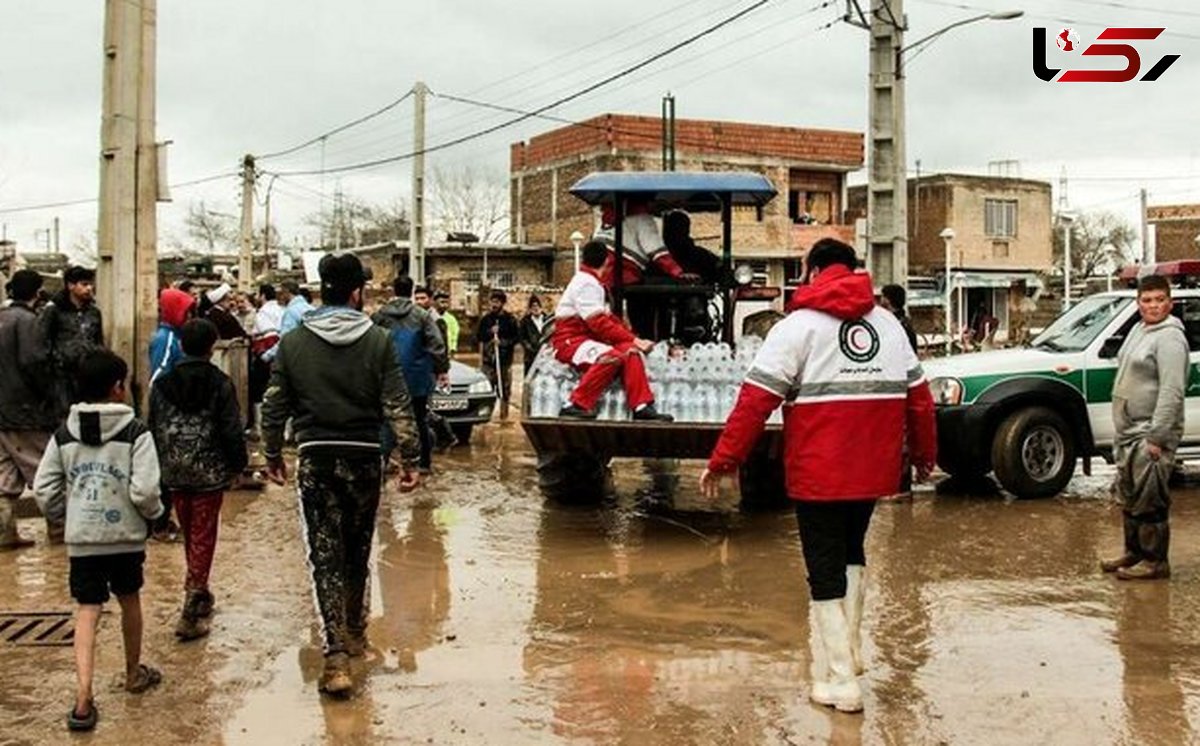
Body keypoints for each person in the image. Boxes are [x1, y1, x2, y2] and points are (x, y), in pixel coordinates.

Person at [699, 238, 936, 714]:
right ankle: (849, 653)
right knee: (852, 552)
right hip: (872, 469)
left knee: (822, 568)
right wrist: (925, 457)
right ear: (853, 270)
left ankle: (842, 682)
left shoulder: (797, 327)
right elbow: (921, 399)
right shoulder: (888, 324)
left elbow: (755, 402)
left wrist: (723, 460)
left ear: (811, 271)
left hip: (819, 471)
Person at [261, 252, 421, 697]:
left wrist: (272, 452)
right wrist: (411, 460)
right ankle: (353, 633)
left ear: (321, 289)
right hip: (365, 457)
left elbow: (273, 404)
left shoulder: (292, 343)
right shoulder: (379, 340)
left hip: (315, 457)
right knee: (357, 548)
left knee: (324, 552)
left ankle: (335, 655)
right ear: (356, 292)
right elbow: (398, 405)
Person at [33, 349, 165, 732]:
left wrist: (66, 515)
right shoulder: (136, 433)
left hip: (83, 539)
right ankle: (132, 674)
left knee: (87, 611)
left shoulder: (64, 434)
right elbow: (144, 491)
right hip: (125, 539)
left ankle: (83, 697)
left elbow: (44, 489)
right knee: (130, 602)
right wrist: (155, 516)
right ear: (118, 388)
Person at [149, 319, 248, 641]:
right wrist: (237, 466)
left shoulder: (162, 384)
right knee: (203, 533)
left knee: (191, 528)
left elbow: (153, 427)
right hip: (208, 471)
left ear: (181, 345)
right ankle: (193, 597)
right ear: (211, 347)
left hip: (174, 470)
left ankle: (199, 586)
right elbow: (232, 429)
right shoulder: (220, 382)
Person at [1101, 274, 1188, 581]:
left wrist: (1158, 435)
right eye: (1147, 300)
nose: (1153, 306)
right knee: (1131, 494)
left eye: (1159, 300)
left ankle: (1155, 562)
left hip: (1149, 432)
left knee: (1150, 498)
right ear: (1138, 304)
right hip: (1128, 431)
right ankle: (1134, 551)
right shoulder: (1140, 329)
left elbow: (1172, 390)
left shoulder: (1170, 339)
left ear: (1170, 303)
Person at [551, 241, 673, 421]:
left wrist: (632, 340)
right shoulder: (586, 283)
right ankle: (575, 404)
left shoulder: (593, 283)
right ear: (607, 261)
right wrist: (636, 340)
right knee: (612, 357)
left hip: (584, 340)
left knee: (631, 352)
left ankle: (641, 406)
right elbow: (599, 323)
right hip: (570, 342)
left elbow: (610, 320)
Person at [0, 270, 59, 548]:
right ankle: (60, 535)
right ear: (37, 293)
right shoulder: (28, 322)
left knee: (5, 477)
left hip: (2, 413)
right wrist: (50, 396)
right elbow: (34, 362)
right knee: (46, 474)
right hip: (25, 412)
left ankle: (5, 534)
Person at [373, 276, 449, 473]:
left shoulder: (380, 315)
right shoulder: (421, 316)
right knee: (419, 419)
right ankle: (423, 464)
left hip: (389, 377)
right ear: (411, 290)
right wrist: (442, 370)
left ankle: (383, 460)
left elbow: (370, 343)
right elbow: (437, 345)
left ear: (393, 290)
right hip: (417, 378)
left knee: (387, 421)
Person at [40, 265, 104, 418]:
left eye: (90, 284)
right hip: (62, 376)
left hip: (88, 374)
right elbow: (43, 341)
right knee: (65, 417)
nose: (89, 288)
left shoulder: (94, 312)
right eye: (84, 284)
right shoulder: (54, 311)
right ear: (70, 286)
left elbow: (98, 340)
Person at [477, 290, 520, 420]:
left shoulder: (510, 319)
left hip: (504, 360)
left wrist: (503, 343)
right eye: (492, 301)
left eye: (497, 302)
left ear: (502, 303)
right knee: (487, 388)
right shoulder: (486, 319)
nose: (494, 305)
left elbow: (517, 338)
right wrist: (490, 332)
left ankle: (504, 415)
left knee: (504, 390)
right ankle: (486, 415)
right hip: (488, 361)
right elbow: (479, 336)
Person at [149, 287, 197, 387]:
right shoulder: (166, 339)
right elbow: (159, 376)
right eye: (185, 312)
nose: (189, 316)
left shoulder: (176, 337)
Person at [879, 284, 918, 354]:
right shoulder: (904, 322)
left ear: (887, 300)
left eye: (882, 296)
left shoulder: (894, 324)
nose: (880, 299)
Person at [519, 295, 550, 377]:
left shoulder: (548, 320)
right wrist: (531, 349)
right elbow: (522, 338)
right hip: (530, 357)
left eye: (537, 306)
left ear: (541, 307)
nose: (536, 308)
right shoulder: (525, 322)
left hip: (545, 356)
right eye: (533, 306)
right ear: (530, 309)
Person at [434, 291, 459, 355]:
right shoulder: (430, 316)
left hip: (446, 350)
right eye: (442, 302)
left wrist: (453, 347)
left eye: (446, 302)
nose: (445, 305)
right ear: (435, 302)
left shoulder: (451, 318)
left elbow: (455, 333)